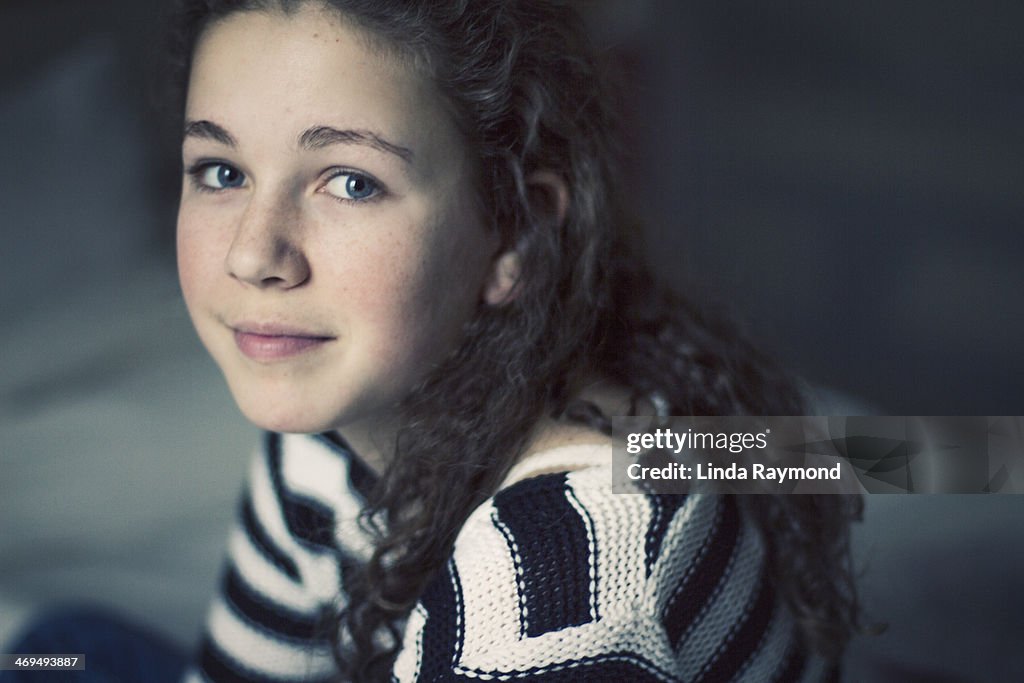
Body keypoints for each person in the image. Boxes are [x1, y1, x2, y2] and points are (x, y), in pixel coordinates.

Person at [1, 1, 862, 682]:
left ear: (514, 232)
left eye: (350, 181)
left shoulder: (549, 575)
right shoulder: (327, 436)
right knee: (66, 645)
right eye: (220, 172)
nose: (253, 255)